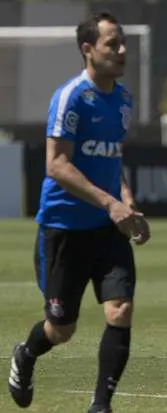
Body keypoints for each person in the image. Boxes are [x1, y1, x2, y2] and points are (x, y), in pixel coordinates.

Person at [7, 11, 150, 413]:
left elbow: (112, 158)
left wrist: (127, 203)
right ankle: (27, 354)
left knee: (120, 310)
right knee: (61, 328)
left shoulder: (123, 99)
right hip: (64, 227)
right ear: (88, 50)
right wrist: (111, 203)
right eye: (112, 44)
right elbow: (57, 164)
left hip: (106, 228)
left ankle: (100, 406)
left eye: (122, 42)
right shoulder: (71, 97)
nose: (122, 50)